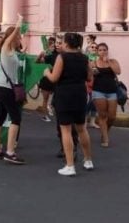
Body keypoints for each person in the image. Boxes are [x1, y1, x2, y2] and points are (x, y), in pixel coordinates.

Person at [44, 32, 94, 176]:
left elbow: (54, 78)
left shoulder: (62, 57)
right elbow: (90, 77)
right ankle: (88, 160)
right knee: (82, 128)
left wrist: (47, 72)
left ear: (66, 43)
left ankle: (70, 165)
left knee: (66, 130)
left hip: (65, 94)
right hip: (80, 93)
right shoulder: (84, 58)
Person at [0, 14, 25, 165]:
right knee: (15, 118)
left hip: (3, 86)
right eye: (18, 37)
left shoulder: (12, 51)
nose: (20, 39)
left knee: (0, 117)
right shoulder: (5, 48)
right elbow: (12, 36)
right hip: (5, 87)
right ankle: (10, 152)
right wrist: (19, 22)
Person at [91, 42, 121, 146]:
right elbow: (90, 75)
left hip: (112, 91)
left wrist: (108, 61)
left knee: (112, 116)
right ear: (97, 52)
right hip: (98, 91)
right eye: (100, 50)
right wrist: (93, 72)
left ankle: (105, 132)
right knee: (102, 115)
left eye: (104, 50)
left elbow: (118, 71)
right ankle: (105, 139)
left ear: (107, 51)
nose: (102, 52)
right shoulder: (94, 62)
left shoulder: (113, 61)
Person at [36, 35, 61, 122]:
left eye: (58, 43)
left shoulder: (63, 55)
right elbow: (38, 62)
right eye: (54, 44)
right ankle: (45, 115)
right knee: (45, 98)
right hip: (47, 79)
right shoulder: (50, 55)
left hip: (58, 79)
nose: (56, 45)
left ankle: (52, 107)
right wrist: (40, 55)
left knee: (56, 98)